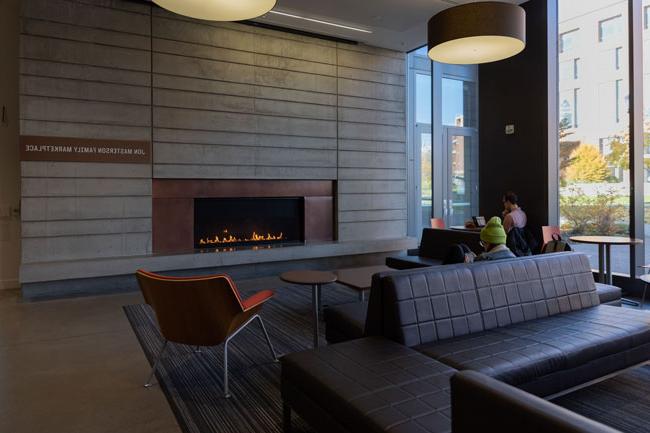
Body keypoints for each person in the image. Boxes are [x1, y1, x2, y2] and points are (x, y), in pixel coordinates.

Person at [443, 216, 516, 264]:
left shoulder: (485, 259)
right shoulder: (513, 257)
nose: (483, 246)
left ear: (488, 242)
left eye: (483, 243)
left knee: (456, 249)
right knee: (463, 247)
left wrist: (471, 260)